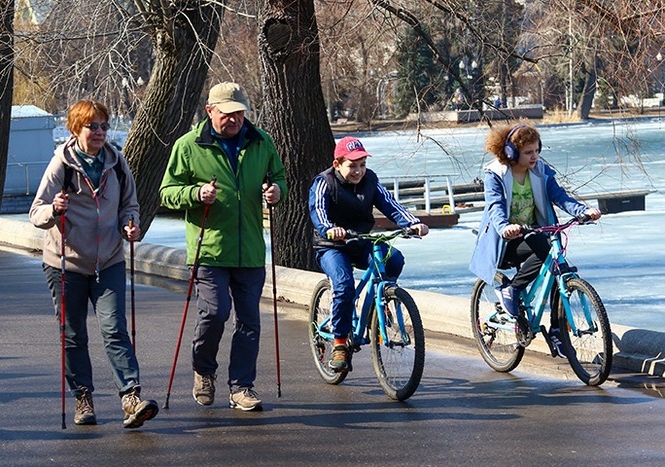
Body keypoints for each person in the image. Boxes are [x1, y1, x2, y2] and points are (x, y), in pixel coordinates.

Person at [29, 99, 159, 428]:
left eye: (103, 125)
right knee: (73, 335)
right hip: (65, 263)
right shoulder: (61, 164)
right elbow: (37, 213)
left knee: (114, 328)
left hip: (110, 259)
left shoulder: (116, 162)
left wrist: (131, 224)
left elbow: (130, 204)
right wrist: (55, 209)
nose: (100, 132)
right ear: (76, 129)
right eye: (92, 126)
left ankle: (131, 398)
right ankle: (83, 398)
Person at [158, 82, 287, 411]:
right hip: (210, 249)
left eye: (240, 114)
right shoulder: (188, 146)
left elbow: (279, 178)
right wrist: (195, 194)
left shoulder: (261, 141)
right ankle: (204, 370)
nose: (234, 120)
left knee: (249, 323)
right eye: (227, 114)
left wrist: (276, 193)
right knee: (215, 314)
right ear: (210, 111)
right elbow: (168, 192)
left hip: (251, 251)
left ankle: (241, 386)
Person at [469, 124, 601, 356]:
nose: (535, 156)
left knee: (560, 268)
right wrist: (505, 227)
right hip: (505, 242)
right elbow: (495, 207)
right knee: (543, 247)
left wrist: (582, 211)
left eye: (537, 150)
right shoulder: (496, 174)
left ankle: (558, 332)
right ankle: (513, 289)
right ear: (511, 152)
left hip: (533, 234)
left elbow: (560, 196)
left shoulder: (541, 171)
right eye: (529, 152)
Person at [308, 136, 429, 372]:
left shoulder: (370, 180)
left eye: (362, 164)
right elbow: (318, 211)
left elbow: (389, 204)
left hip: (361, 240)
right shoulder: (324, 182)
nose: (358, 171)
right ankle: (341, 343)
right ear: (337, 164)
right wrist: (330, 229)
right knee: (343, 285)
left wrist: (413, 223)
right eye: (352, 165)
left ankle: (381, 300)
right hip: (332, 245)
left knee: (393, 259)